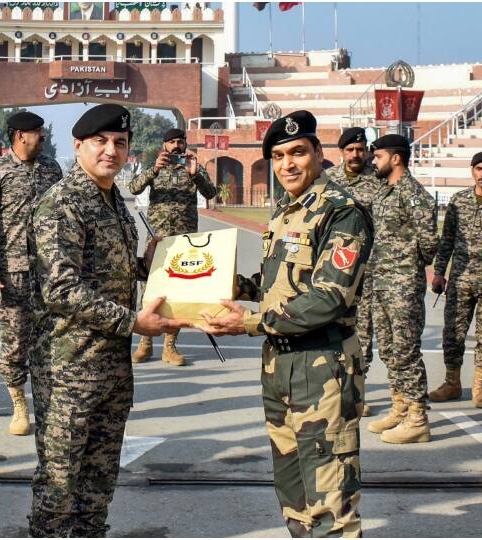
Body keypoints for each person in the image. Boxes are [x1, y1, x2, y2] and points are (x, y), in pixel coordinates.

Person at [201, 111, 372, 537]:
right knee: (294, 497)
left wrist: (251, 323)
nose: (288, 164)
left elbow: (329, 297)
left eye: (297, 152)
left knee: (330, 506)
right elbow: (279, 283)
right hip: (280, 367)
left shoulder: (341, 212)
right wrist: (231, 287)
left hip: (323, 368)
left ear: (318, 153)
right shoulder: (285, 210)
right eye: (278, 157)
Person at [28, 104, 191, 537]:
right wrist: (134, 323)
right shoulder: (63, 203)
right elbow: (61, 290)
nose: (110, 150)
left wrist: (148, 265)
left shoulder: (115, 199)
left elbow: (107, 270)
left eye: (119, 143)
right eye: (100, 142)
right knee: (60, 488)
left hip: (111, 369)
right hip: (69, 368)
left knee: (98, 486)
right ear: (79, 146)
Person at [0, 111, 62, 436]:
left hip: (51, 271)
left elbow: (63, 215)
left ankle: (48, 404)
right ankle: (19, 405)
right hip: (13, 274)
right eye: (38, 132)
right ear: (20, 136)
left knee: (52, 339)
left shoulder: (52, 168)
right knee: (15, 342)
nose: (43, 136)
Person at [367, 134, 438, 444]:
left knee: (406, 352)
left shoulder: (414, 194)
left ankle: (418, 418)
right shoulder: (384, 192)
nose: (373, 161)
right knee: (389, 349)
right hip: (380, 283)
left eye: (378, 156)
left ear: (396, 158)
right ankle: (401, 406)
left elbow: (429, 243)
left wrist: (408, 265)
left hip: (403, 286)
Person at [428, 151, 482, 408]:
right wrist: (440, 272)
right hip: (461, 280)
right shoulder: (458, 201)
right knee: (453, 333)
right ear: (472, 171)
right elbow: (448, 241)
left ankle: (480, 387)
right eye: (479, 168)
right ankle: (452, 383)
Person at [128, 127, 217, 366]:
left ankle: (170, 346)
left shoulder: (193, 168)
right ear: (164, 146)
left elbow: (211, 192)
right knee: (150, 291)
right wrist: (155, 169)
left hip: (185, 241)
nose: (177, 146)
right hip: (158, 241)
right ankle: (145, 344)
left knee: (176, 293)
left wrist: (195, 173)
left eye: (181, 141)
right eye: (172, 142)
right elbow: (133, 187)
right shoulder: (156, 167)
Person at [326, 126, 382, 416]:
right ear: (342, 152)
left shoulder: (378, 181)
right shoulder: (329, 180)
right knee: (331, 327)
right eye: (350, 150)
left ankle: (358, 393)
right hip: (333, 268)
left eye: (360, 149)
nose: (356, 154)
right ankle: (335, 391)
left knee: (363, 333)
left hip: (367, 269)